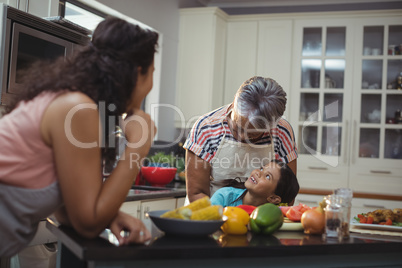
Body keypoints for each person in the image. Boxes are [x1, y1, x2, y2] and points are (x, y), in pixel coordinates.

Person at [0, 17, 158, 257]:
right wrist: (137, 147)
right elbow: (88, 223)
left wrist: (110, 215)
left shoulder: (71, 101)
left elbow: (70, 210)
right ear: (138, 73)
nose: (152, 84)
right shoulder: (78, 109)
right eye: (152, 73)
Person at [184, 76, 298, 204]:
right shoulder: (205, 128)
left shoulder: (282, 132)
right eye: (237, 127)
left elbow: (287, 193)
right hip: (209, 215)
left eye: (252, 135)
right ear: (234, 102)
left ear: (272, 126)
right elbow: (197, 193)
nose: (242, 137)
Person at [210, 160, 299, 207]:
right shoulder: (224, 196)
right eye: (261, 168)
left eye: (267, 176)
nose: (258, 172)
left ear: (274, 198)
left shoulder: (273, 216)